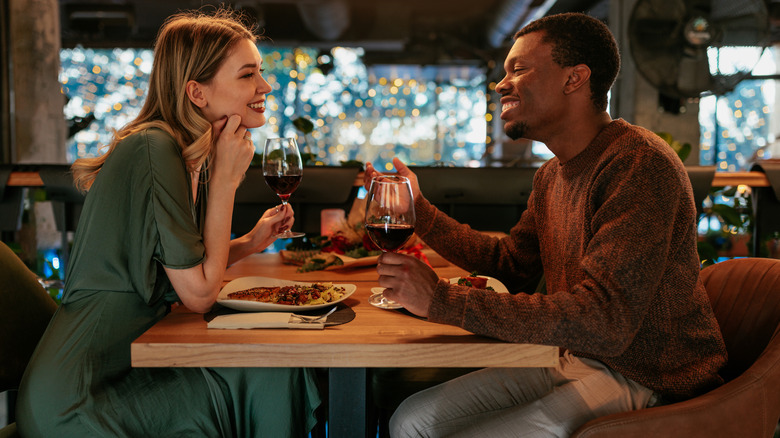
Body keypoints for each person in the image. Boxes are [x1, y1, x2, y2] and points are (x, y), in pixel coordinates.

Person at [364, 12, 727, 438]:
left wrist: (440, 299)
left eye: (518, 69)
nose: (501, 84)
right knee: (411, 420)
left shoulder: (639, 163)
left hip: (648, 377)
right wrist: (418, 210)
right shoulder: (552, 173)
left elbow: (603, 320)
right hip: (577, 356)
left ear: (574, 79)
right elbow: (510, 263)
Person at [17, 8, 320, 437]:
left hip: (127, 371)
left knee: (272, 368)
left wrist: (250, 242)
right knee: (267, 369)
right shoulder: (152, 149)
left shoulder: (181, 153)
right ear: (197, 92)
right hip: (81, 398)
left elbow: (182, 271)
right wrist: (227, 183)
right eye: (248, 74)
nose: (265, 86)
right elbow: (198, 294)